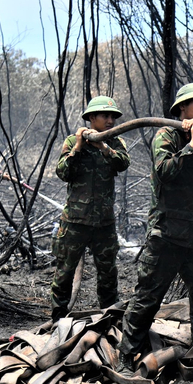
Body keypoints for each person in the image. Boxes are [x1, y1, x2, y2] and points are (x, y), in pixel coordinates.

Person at [117, 82, 193, 372]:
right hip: (168, 237)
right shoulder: (166, 136)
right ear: (182, 108)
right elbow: (165, 171)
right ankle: (128, 354)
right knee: (148, 296)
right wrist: (191, 145)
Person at [51, 96, 130, 322]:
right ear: (91, 118)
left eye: (112, 116)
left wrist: (103, 147)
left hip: (104, 224)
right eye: (105, 116)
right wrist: (78, 146)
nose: (110, 120)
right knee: (64, 272)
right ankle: (58, 320)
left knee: (108, 274)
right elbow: (63, 172)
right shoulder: (72, 141)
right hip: (75, 222)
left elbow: (123, 163)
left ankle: (109, 318)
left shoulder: (114, 143)